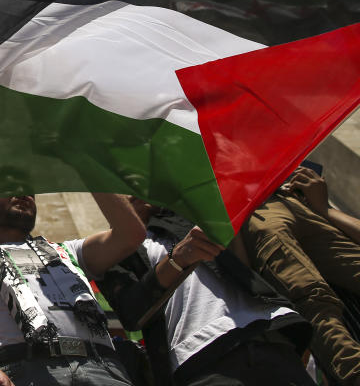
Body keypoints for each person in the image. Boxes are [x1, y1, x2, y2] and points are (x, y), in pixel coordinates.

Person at [0, 168, 146, 386]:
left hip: (103, 366)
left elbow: (130, 234)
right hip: (24, 369)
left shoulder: (69, 251)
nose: (23, 194)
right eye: (9, 189)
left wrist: (88, 167)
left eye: (30, 192)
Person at [98, 199, 312, 386]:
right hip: (200, 357)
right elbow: (132, 312)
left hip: (268, 334)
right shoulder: (113, 256)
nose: (130, 194)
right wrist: (177, 259)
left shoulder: (192, 219)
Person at [242, 162, 360, 385]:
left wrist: (326, 209)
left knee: (311, 298)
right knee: (311, 297)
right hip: (256, 204)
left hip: (280, 198)